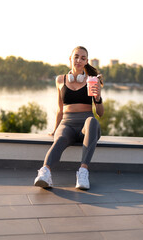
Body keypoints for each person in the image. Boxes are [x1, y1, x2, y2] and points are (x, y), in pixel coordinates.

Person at [34, 46, 104, 190]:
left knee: (92, 121)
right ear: (70, 59)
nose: (79, 60)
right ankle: (45, 173)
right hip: (67, 124)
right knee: (59, 139)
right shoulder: (60, 80)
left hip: (86, 126)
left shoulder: (92, 81)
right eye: (76, 57)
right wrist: (54, 130)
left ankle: (83, 172)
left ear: (86, 62)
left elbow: (100, 113)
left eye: (83, 58)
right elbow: (60, 109)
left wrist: (98, 97)